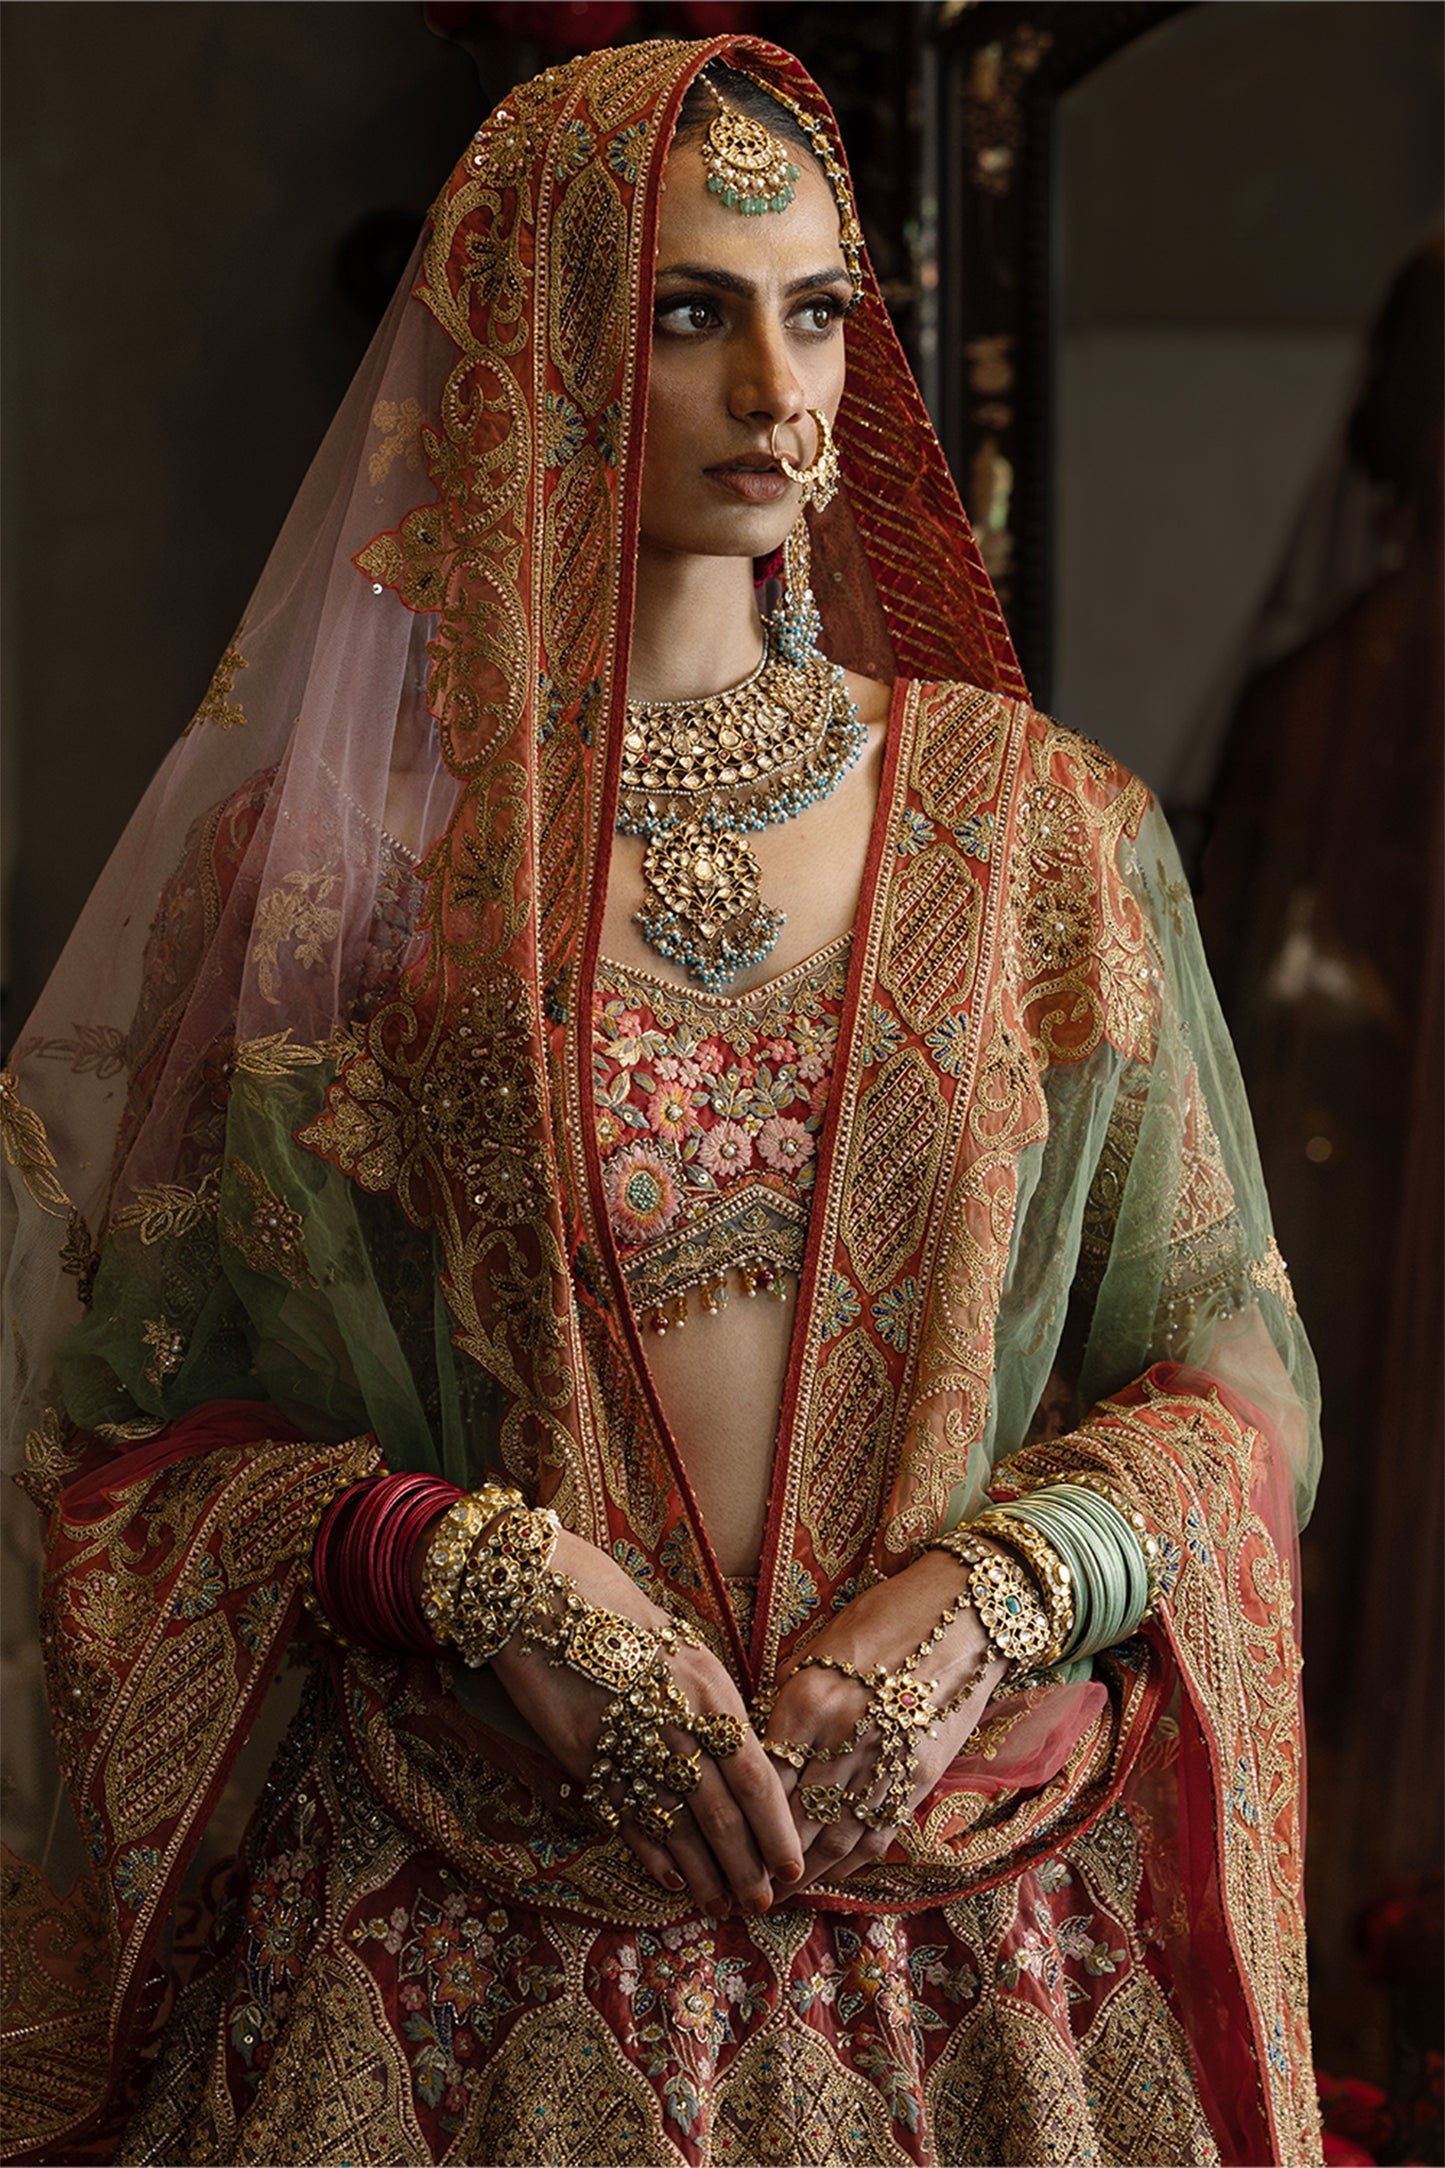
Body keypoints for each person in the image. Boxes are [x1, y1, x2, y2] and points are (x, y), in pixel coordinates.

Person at [0, 35, 1322, 2167]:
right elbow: (131, 1440)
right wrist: (460, 1572)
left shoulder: (1042, 839)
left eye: (818, 309)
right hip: (447, 1979)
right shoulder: (342, 873)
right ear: (537, 344)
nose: (778, 387)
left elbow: (1230, 1390)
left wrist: (995, 1588)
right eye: (690, 311)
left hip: (969, 1970)